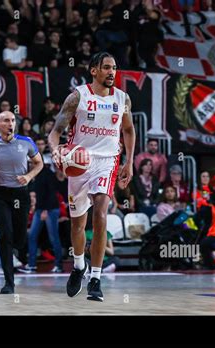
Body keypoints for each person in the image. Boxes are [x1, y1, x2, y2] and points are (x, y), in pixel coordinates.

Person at [48, 52, 136, 302]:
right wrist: (56, 152)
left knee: (100, 213)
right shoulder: (78, 96)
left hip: (107, 162)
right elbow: (55, 133)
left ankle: (95, 279)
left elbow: (128, 130)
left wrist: (128, 162)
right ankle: (78, 266)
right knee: (77, 224)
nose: (111, 72)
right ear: (94, 70)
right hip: (78, 162)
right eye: (106, 68)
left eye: (114, 68)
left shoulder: (123, 99)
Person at [0, 111, 44, 294]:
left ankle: (16, 251)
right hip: (0, 195)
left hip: (20, 194)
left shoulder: (26, 142)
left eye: (13, 120)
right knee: (5, 235)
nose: (10, 123)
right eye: (6, 120)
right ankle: (9, 282)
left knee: (20, 239)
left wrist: (29, 176)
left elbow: (39, 163)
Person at [26, 156, 63, 273]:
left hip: (49, 209)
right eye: (30, 163)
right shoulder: (35, 175)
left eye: (32, 162)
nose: (31, 165)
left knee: (54, 237)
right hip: (40, 209)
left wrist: (45, 210)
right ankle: (31, 265)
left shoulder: (47, 174)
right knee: (32, 236)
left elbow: (51, 193)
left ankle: (59, 265)